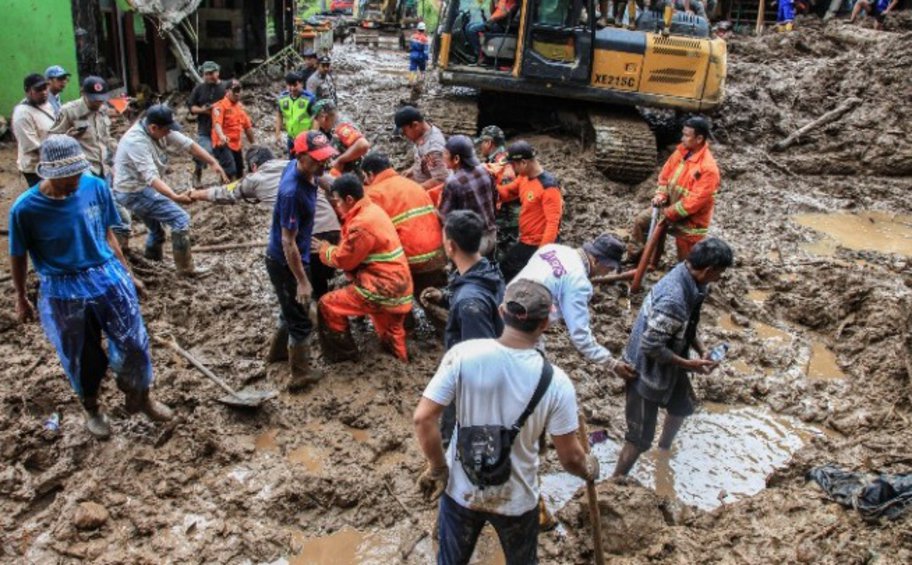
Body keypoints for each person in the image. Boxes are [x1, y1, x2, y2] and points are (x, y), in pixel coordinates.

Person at [413, 279, 598, 564]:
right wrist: (588, 468)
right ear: (545, 323)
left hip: (461, 490)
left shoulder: (462, 355)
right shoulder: (557, 383)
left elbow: (424, 418)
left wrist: (438, 467)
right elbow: (570, 457)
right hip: (517, 499)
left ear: (501, 312)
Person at [9, 136, 171, 439]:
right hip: (63, 288)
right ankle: (92, 408)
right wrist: (21, 297)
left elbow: (107, 233)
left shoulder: (94, 186)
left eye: (75, 176)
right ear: (47, 174)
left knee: (134, 343)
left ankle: (141, 396)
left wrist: (127, 273)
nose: (73, 184)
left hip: (107, 275)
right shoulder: (26, 209)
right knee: (83, 357)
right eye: (65, 179)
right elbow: (18, 256)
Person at [613, 238, 733, 478]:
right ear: (708, 270)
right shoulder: (674, 299)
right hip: (644, 369)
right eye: (719, 273)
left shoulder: (694, 282)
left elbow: (687, 325)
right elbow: (651, 346)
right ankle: (616, 481)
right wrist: (690, 365)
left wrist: (701, 350)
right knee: (639, 438)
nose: (719, 279)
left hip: (670, 357)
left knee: (681, 407)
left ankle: (664, 452)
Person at [189, 145, 342, 302]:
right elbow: (333, 183)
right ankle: (325, 312)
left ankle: (298, 314)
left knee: (290, 276)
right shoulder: (294, 165)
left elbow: (223, 193)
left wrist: (194, 194)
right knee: (322, 286)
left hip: (306, 238)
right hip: (333, 229)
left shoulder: (255, 178)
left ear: (253, 166)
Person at [419, 210, 505, 448]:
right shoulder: (487, 269)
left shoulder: (470, 304)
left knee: (455, 432)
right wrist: (445, 297)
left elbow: (480, 360)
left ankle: (452, 468)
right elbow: (475, 295)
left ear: (451, 246)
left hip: (470, 378)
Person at [112, 104, 228, 274]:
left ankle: (153, 261)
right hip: (133, 191)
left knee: (157, 230)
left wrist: (212, 162)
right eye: (166, 130)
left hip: (139, 187)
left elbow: (189, 145)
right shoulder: (136, 142)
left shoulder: (160, 129)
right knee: (180, 219)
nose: (169, 133)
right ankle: (186, 269)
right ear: (153, 127)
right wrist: (175, 196)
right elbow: (151, 178)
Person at [313, 174, 414, 363]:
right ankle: (401, 363)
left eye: (337, 201)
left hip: (380, 287)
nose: (337, 206)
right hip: (399, 284)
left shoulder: (361, 225)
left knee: (328, 305)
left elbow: (344, 260)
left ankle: (343, 356)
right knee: (391, 330)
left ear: (349, 199)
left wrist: (324, 249)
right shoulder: (373, 210)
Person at [265, 132, 339, 389]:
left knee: (289, 309)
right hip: (286, 261)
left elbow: (318, 177)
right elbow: (288, 242)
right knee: (301, 319)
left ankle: (275, 355)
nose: (323, 164)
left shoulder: (299, 168)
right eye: (318, 160)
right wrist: (302, 280)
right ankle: (300, 373)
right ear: (301, 156)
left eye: (325, 158)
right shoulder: (291, 193)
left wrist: (331, 185)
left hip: (288, 255)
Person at [510, 234, 637, 379]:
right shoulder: (579, 283)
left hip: (502, 308)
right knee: (533, 379)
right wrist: (612, 363)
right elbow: (580, 335)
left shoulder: (552, 249)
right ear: (596, 261)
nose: (606, 274)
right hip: (521, 331)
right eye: (608, 268)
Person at [49, 76, 131, 249]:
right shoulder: (69, 111)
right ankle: (93, 248)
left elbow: (106, 138)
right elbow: (51, 140)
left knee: (113, 213)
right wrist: (68, 137)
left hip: (102, 167)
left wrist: (121, 151)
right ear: (83, 94)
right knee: (90, 212)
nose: (98, 104)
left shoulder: (102, 110)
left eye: (101, 100)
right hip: (82, 169)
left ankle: (116, 250)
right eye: (94, 100)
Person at [628, 116, 721, 265]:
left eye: (686, 135)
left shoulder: (708, 169)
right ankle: (636, 260)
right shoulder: (681, 152)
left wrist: (669, 213)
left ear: (699, 139)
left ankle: (686, 276)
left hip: (691, 221)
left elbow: (694, 202)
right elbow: (664, 176)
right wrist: (661, 195)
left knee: (687, 263)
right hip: (668, 206)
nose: (682, 138)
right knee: (642, 222)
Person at [361, 151, 447, 302]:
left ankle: (405, 321)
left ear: (370, 174)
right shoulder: (413, 185)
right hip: (437, 255)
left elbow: (371, 235)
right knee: (435, 302)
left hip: (410, 261)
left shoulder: (374, 195)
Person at [497, 141, 564, 283]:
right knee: (505, 268)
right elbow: (507, 192)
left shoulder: (548, 187)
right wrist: (488, 185)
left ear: (523, 163)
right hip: (526, 239)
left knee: (512, 272)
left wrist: (542, 255)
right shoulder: (524, 178)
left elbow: (553, 224)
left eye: (514, 165)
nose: (513, 169)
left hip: (537, 244)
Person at [439, 135, 498, 256]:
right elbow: (495, 198)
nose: (442, 157)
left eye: (445, 154)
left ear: (456, 158)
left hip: (473, 245)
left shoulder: (453, 182)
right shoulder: (484, 170)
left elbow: (444, 216)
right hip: (492, 235)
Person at [475, 125, 519, 261]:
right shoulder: (495, 161)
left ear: (489, 143)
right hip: (502, 221)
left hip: (507, 222)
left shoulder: (503, 163)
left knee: (504, 261)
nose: (480, 147)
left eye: (482, 143)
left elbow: (508, 192)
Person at [12, 74, 56, 187]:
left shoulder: (46, 104)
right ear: (28, 91)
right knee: (47, 200)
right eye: (38, 89)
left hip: (51, 163)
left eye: (45, 88)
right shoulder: (22, 114)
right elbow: (33, 147)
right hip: (36, 169)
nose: (44, 92)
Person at [187, 61, 227, 184]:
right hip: (205, 128)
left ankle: (224, 178)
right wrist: (204, 110)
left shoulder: (226, 87)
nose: (209, 76)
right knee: (202, 152)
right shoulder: (199, 88)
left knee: (225, 154)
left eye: (211, 73)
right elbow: (192, 107)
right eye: (206, 74)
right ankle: (197, 173)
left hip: (223, 128)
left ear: (218, 72)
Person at [310, 100, 371, 177]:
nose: (318, 124)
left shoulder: (341, 127)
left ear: (324, 118)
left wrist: (340, 160)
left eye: (317, 120)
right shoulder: (336, 123)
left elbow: (363, 145)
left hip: (357, 174)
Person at [394, 106, 449, 190]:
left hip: (430, 193)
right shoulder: (421, 135)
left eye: (404, 132)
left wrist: (416, 190)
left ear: (415, 125)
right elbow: (423, 160)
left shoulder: (433, 149)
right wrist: (412, 170)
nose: (404, 136)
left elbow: (441, 180)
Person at [211, 79, 254, 180]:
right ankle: (229, 192)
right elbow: (217, 123)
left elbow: (247, 127)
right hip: (222, 143)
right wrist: (221, 136)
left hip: (236, 144)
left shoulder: (240, 108)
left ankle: (234, 189)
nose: (237, 93)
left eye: (239, 90)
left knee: (240, 171)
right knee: (231, 170)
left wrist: (253, 144)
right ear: (227, 91)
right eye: (235, 90)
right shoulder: (219, 106)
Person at [276, 72, 314, 155]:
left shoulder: (309, 99)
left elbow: (316, 119)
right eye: (289, 85)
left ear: (301, 84)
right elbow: (279, 115)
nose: (292, 88)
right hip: (291, 138)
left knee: (304, 164)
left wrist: (313, 138)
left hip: (305, 139)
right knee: (292, 162)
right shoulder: (282, 98)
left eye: (295, 85)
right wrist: (277, 133)